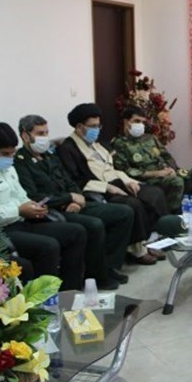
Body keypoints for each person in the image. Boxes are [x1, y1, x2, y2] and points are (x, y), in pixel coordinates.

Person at [0, 122, 87, 290]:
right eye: (5, 153)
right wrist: (17, 210)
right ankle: (44, 298)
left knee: (76, 232)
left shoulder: (8, 168)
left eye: (13, 152)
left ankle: (70, 291)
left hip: (23, 223)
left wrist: (33, 206)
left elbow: (20, 195)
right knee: (48, 246)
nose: (10, 157)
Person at [14, 114, 133, 290]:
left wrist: (77, 197)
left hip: (75, 204)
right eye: (40, 133)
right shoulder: (20, 162)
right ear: (25, 136)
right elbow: (33, 196)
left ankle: (107, 266)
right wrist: (68, 198)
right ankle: (97, 276)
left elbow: (68, 180)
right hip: (54, 210)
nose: (45, 137)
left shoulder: (49, 155)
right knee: (94, 225)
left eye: (46, 133)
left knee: (124, 213)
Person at [57, 103, 168, 265]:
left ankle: (148, 241)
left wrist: (129, 181)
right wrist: (108, 187)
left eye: (98, 126)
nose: (97, 130)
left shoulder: (96, 144)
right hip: (99, 190)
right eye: (93, 126)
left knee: (154, 193)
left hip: (117, 181)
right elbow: (76, 180)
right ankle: (137, 250)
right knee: (133, 204)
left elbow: (111, 168)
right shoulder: (68, 148)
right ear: (80, 127)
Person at [111, 105, 192, 213]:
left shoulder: (151, 138)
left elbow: (167, 156)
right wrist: (157, 173)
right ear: (126, 122)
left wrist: (172, 169)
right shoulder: (119, 144)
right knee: (176, 181)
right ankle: (172, 217)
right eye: (137, 121)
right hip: (149, 180)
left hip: (167, 173)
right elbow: (125, 171)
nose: (140, 125)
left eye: (142, 122)